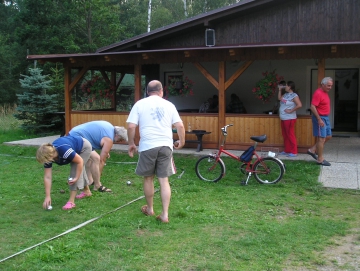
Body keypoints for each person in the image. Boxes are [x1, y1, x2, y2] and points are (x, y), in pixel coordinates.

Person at [127, 80, 185, 223]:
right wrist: (182, 141)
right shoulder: (169, 105)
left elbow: (130, 127)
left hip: (148, 145)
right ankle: (165, 214)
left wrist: (131, 143)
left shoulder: (139, 104)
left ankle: (150, 209)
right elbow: (180, 125)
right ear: (161, 91)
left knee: (148, 178)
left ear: (147, 92)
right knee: (164, 180)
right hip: (166, 145)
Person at [69, 121, 128, 192]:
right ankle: (97, 185)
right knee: (96, 159)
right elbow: (101, 160)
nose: (120, 142)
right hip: (76, 137)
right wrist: (98, 176)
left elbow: (96, 138)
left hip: (73, 133)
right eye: (121, 139)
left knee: (90, 158)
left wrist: (105, 151)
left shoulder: (109, 128)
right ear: (117, 135)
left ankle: (90, 181)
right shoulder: (109, 138)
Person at [36, 135, 92, 210]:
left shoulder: (64, 150)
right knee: (78, 167)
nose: (46, 162)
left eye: (46, 160)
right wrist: (47, 196)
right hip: (74, 147)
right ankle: (86, 191)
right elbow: (47, 177)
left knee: (75, 169)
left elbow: (80, 161)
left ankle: (71, 202)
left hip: (84, 147)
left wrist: (76, 178)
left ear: (50, 155)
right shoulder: (48, 158)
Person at [307, 77, 333, 166]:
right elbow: (313, 107)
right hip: (320, 118)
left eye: (331, 86)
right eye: (328, 85)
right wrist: (319, 119)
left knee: (328, 136)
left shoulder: (325, 93)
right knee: (321, 139)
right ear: (323, 84)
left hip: (326, 117)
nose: (330, 87)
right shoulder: (318, 93)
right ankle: (320, 159)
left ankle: (312, 149)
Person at [278, 81, 302, 157]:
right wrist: (279, 90)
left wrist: (291, 110)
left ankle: (294, 152)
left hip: (289, 118)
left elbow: (299, 105)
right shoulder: (285, 95)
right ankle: (287, 150)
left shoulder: (294, 95)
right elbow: (279, 98)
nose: (285, 87)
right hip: (283, 118)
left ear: (290, 87)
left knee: (290, 134)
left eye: (286, 86)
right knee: (285, 135)